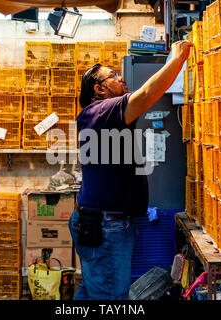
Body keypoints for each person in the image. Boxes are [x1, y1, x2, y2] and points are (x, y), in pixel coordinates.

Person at [68, 40, 192, 300]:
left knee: (92, 291)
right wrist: (177, 59)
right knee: (111, 298)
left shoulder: (98, 114)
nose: (121, 77)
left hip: (100, 222)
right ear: (99, 89)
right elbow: (147, 95)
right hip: (106, 226)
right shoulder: (103, 111)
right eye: (113, 76)